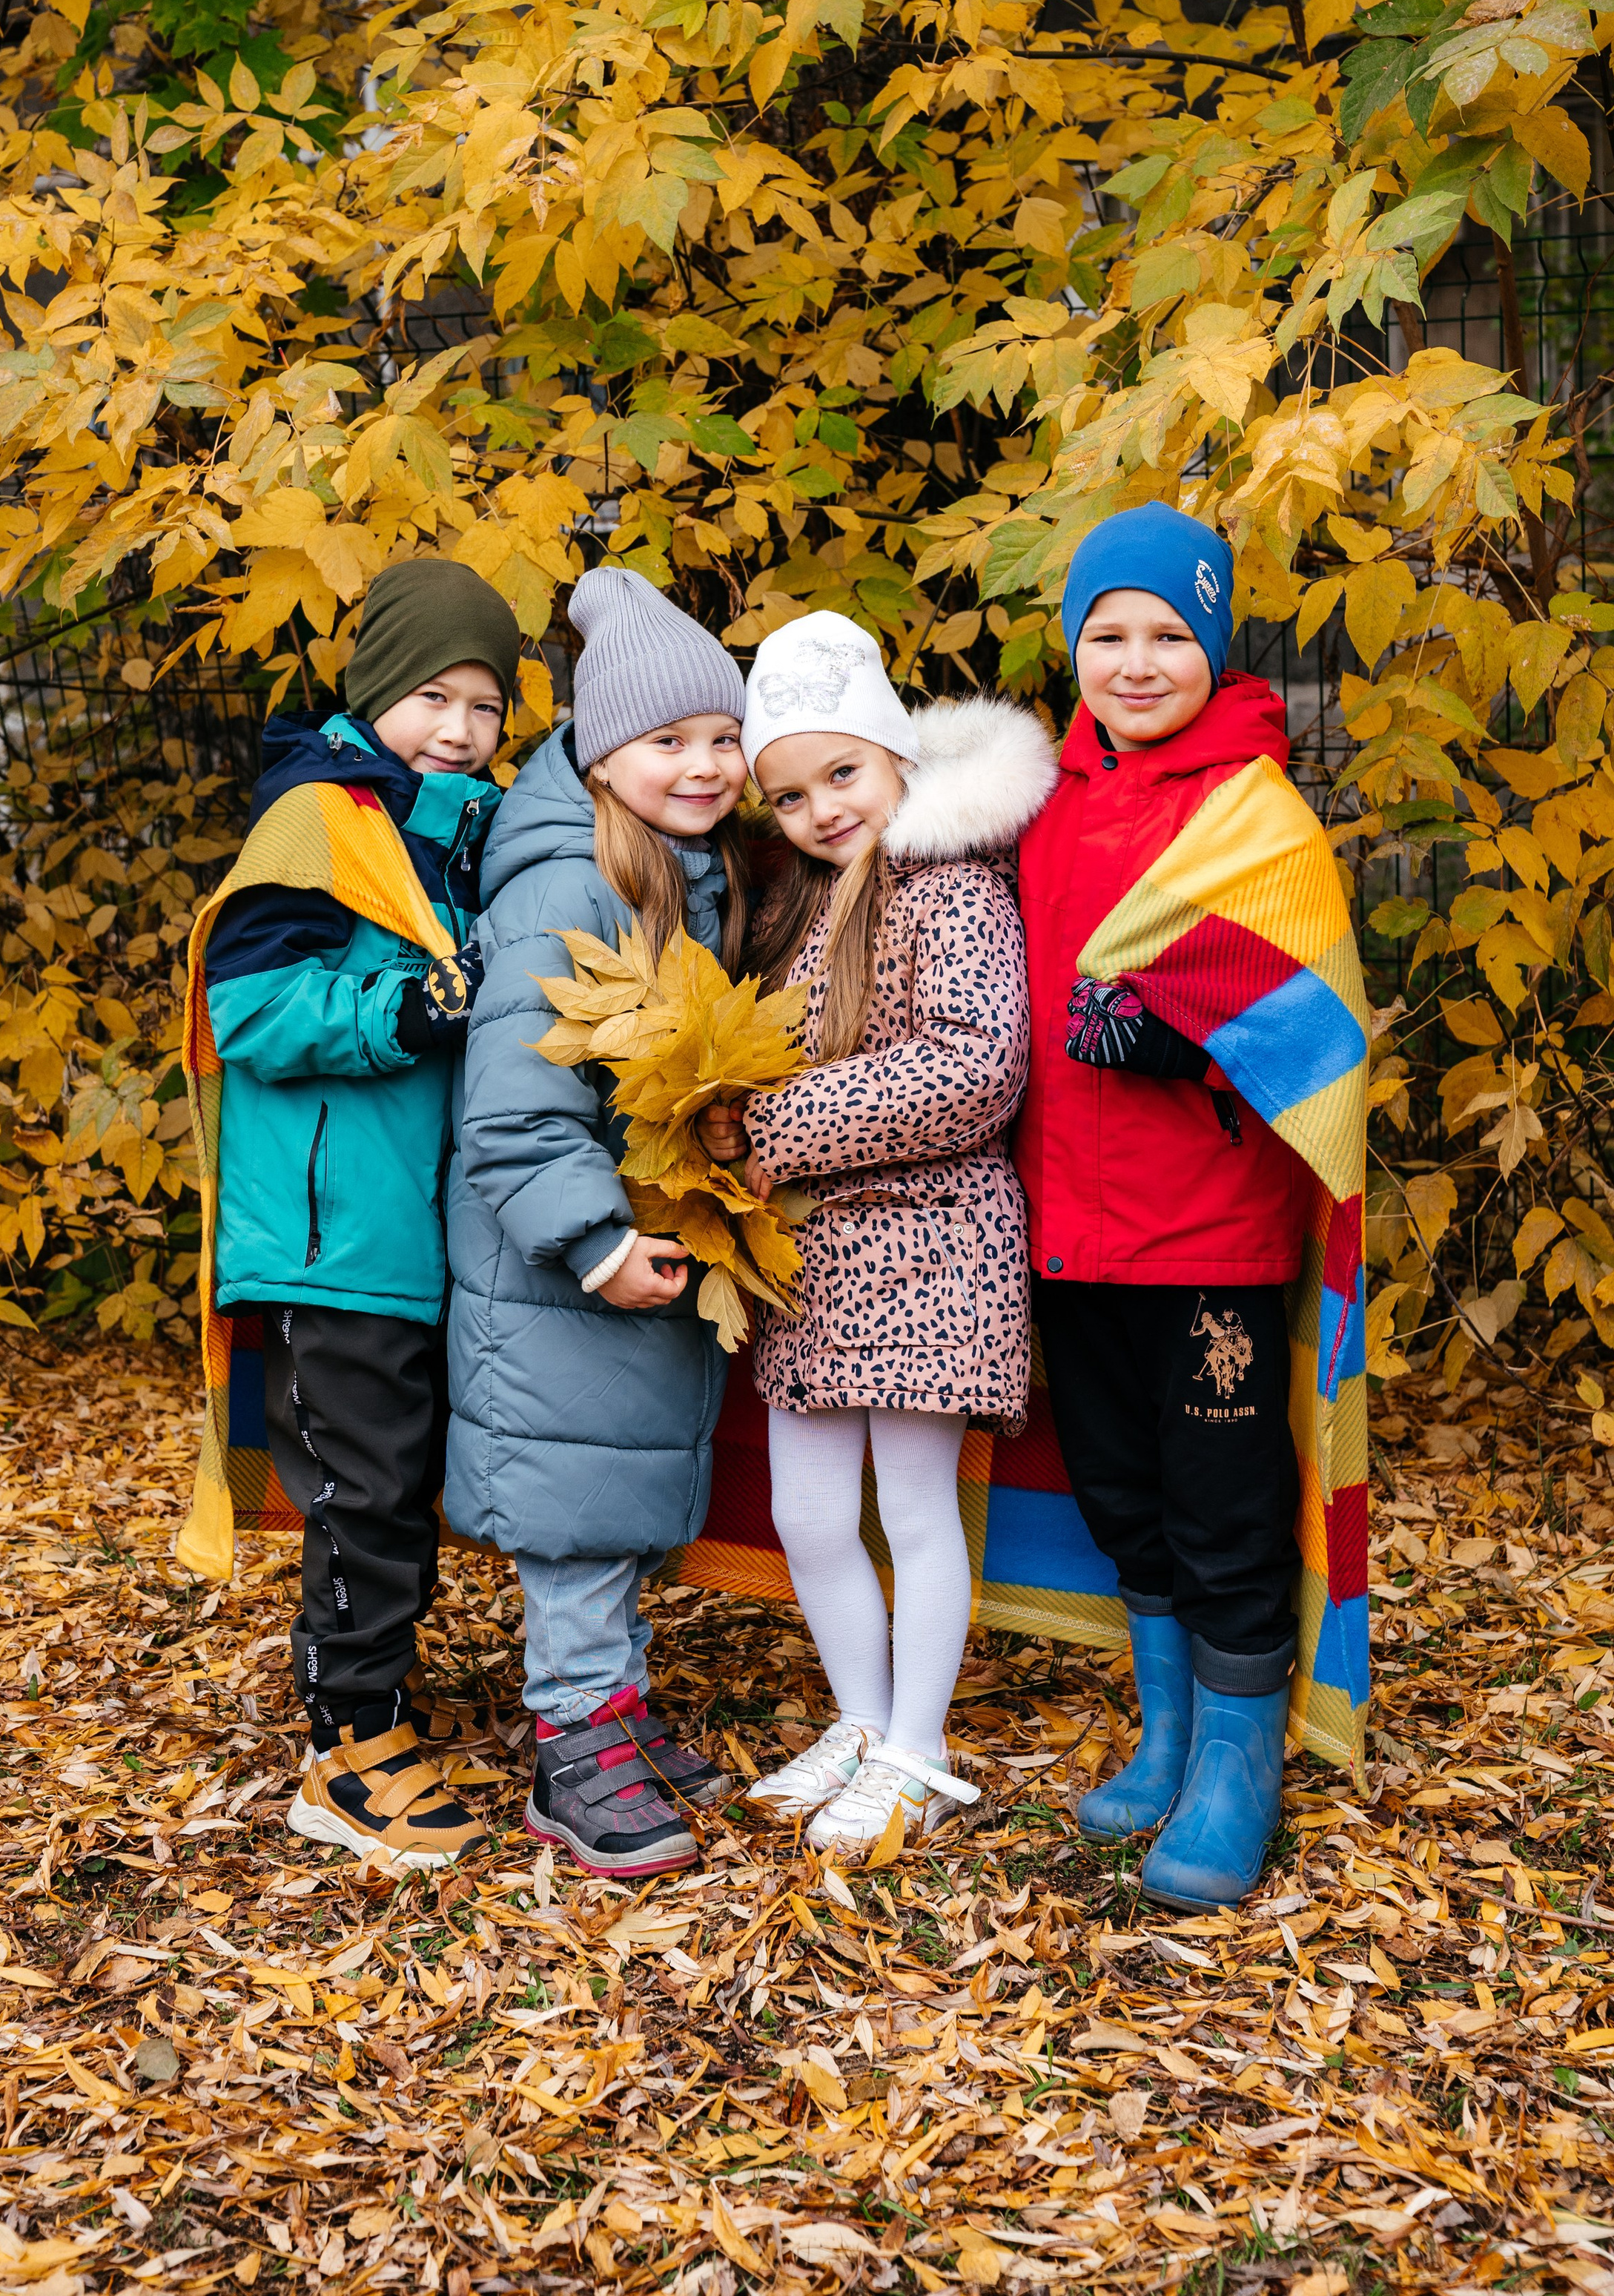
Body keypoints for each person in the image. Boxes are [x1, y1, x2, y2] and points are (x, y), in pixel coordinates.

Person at [707, 614, 1056, 1855]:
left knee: (913, 1510)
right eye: (791, 793)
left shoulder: (951, 883)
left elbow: (977, 1066)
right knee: (808, 1515)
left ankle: (919, 1746)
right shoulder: (802, 905)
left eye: (840, 773)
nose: (819, 808)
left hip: (929, 1248)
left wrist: (779, 1126)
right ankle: (860, 1722)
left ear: (894, 752)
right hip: (814, 1259)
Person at [1016, 504, 1326, 1907]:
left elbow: (1310, 1010)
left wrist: (1190, 1034)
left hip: (1205, 1227)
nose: (1137, 663)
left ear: (1213, 643)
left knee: (1221, 1501)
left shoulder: (1254, 809)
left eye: (1168, 635)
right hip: (1067, 1226)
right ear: (1073, 646)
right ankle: (1171, 1736)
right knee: (1121, 1491)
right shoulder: (1047, 801)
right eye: (1108, 634)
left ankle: (1238, 1773)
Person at [193, 555, 521, 1872]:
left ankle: (374, 1695)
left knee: (400, 1474)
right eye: (432, 696)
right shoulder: (319, 826)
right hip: (332, 1230)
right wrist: (402, 1012)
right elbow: (248, 1010)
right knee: (363, 1483)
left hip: (412, 1218)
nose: (457, 728)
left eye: (486, 707)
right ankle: (346, 1746)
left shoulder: (457, 830)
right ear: (376, 690)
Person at [443, 566, 750, 1878]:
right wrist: (596, 1241)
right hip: (562, 1268)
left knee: (612, 1491)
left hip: (629, 1244)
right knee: (575, 1509)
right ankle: (572, 1743)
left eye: (724, 737)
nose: (705, 764)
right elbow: (513, 1106)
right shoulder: (565, 889)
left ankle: (614, 1702)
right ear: (598, 748)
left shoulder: (683, 872)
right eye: (669, 741)